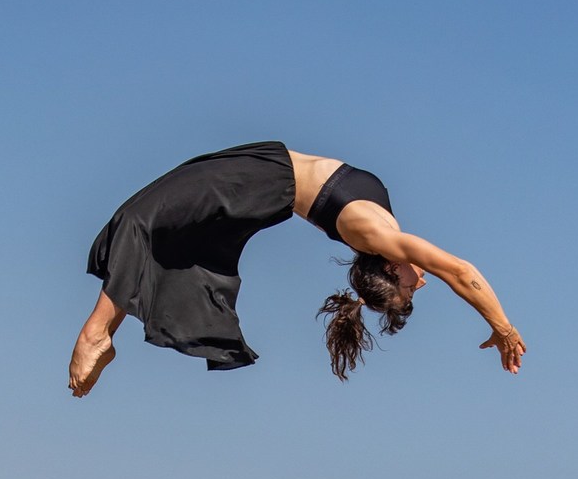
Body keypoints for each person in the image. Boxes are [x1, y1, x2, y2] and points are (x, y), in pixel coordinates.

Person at [69, 143, 525, 393]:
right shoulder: (384, 236)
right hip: (264, 177)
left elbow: (460, 272)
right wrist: (500, 326)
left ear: (389, 269)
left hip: (261, 181)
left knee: (141, 219)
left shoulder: (378, 238)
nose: (420, 281)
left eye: (409, 288)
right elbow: (457, 272)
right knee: (162, 230)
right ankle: (102, 333)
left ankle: (97, 335)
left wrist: (502, 328)